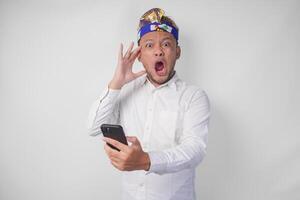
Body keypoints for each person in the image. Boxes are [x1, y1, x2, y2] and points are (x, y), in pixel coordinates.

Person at [87, 8, 210, 200]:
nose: (158, 51)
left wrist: (147, 160)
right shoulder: (125, 91)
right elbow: (93, 127)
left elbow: (195, 150)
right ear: (139, 55)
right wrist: (116, 83)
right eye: (149, 45)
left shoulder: (194, 97)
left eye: (166, 44)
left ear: (177, 52)